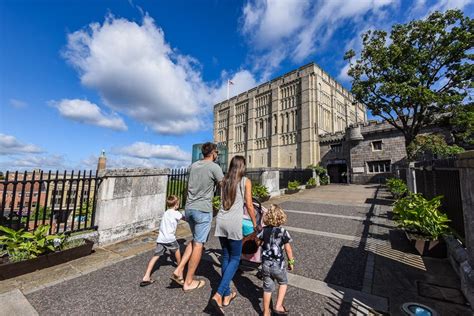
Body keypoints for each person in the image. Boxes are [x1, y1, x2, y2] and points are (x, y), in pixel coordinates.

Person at [172, 142, 224, 292]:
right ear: (213, 153)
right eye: (217, 153)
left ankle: (179, 269)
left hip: (189, 209)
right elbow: (224, 185)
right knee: (199, 245)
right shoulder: (214, 167)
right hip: (202, 210)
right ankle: (188, 282)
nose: (217, 155)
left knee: (194, 240)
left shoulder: (193, 166)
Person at [211, 156, 258, 314]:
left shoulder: (223, 180)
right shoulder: (245, 181)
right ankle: (218, 294)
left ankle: (226, 295)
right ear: (243, 166)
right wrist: (255, 223)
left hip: (221, 221)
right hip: (233, 223)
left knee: (226, 257)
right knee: (236, 259)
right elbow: (249, 205)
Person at [258, 204, 294, 316]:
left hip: (265, 264)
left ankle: (265, 312)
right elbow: (288, 249)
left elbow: (258, 242)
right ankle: (278, 306)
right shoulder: (283, 231)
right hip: (278, 265)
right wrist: (291, 262)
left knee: (267, 288)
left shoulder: (263, 231)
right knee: (283, 282)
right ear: (281, 217)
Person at [140, 195, 184, 287]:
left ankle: (146, 276)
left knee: (156, 256)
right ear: (176, 204)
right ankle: (180, 273)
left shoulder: (166, 212)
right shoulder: (176, 213)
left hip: (161, 238)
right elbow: (185, 217)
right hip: (170, 238)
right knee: (177, 253)